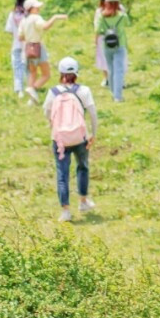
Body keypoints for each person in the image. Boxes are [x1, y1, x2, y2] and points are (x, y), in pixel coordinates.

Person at [42, 57, 98, 222]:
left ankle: (65, 210)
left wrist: (54, 124)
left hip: (60, 139)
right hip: (80, 138)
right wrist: (93, 133)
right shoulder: (84, 91)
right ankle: (83, 201)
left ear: (60, 73)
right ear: (76, 73)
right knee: (82, 167)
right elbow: (93, 114)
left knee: (62, 173)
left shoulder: (53, 92)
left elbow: (46, 112)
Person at [19, 0, 68, 103]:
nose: (38, 8)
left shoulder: (23, 20)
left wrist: (29, 37)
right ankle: (33, 88)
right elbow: (45, 26)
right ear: (31, 9)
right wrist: (55, 17)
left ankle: (31, 99)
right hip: (38, 48)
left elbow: (20, 37)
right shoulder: (36, 18)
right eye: (36, 7)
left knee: (33, 73)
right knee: (46, 74)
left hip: (28, 48)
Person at [95, 0, 129, 101]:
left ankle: (114, 92)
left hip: (107, 45)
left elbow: (98, 30)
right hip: (120, 44)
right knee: (119, 70)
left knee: (111, 69)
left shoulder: (101, 17)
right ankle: (117, 97)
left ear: (106, 2)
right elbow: (127, 24)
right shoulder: (122, 16)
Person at [5, 0, 27, 99]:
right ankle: (31, 88)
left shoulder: (12, 14)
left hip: (16, 45)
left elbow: (9, 30)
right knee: (28, 67)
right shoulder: (28, 14)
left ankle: (19, 91)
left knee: (17, 68)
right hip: (28, 45)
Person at [93, 0, 113, 86]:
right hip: (105, 37)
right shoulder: (99, 11)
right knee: (104, 58)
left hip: (113, 36)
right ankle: (107, 78)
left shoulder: (119, 9)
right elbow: (97, 27)